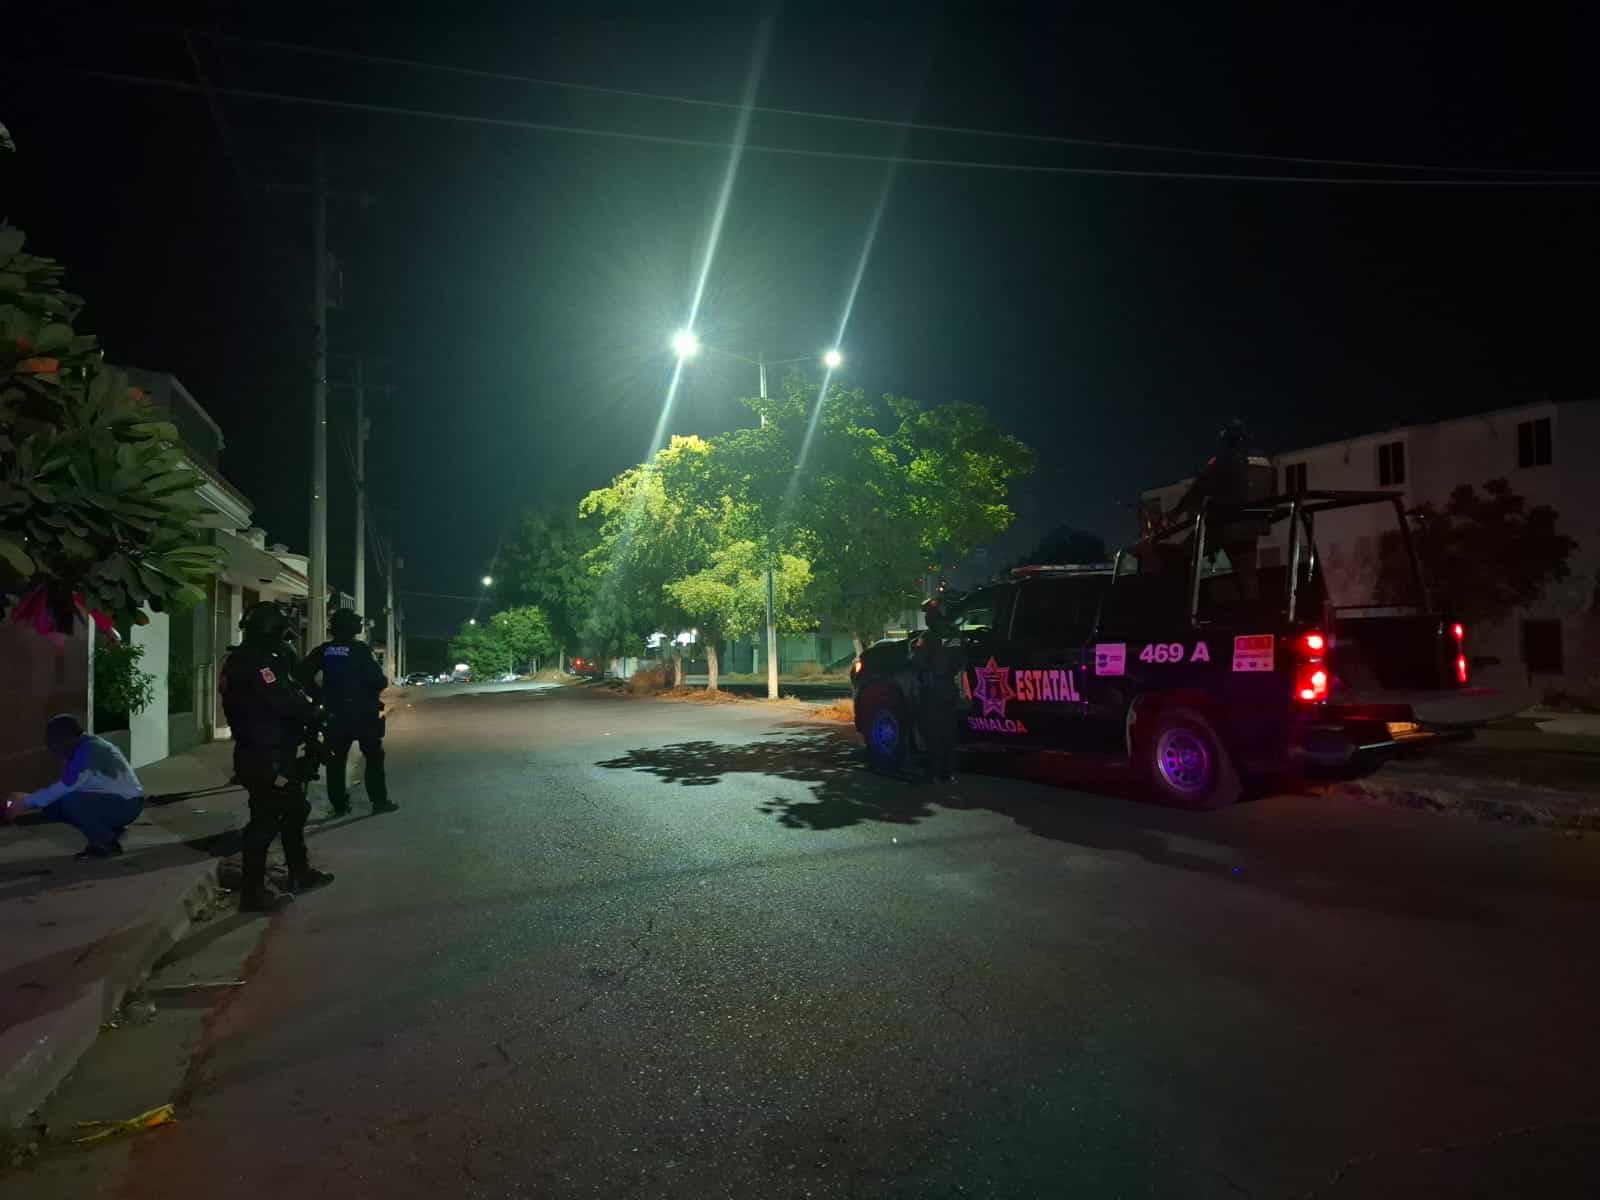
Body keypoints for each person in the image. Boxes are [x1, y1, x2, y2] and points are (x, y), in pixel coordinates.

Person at [221, 602, 334, 911]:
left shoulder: (243, 660)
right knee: (267, 820)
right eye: (282, 635)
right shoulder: (259, 665)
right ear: (271, 632)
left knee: (293, 810)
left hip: (264, 752)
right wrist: (315, 711)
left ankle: (297, 873)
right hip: (266, 756)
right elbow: (286, 700)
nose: (285, 641)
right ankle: (255, 891)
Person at [1, 715, 144, 858]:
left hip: (127, 805)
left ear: (67, 739)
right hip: (116, 801)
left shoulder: (89, 750)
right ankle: (108, 830)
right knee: (56, 806)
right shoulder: (81, 748)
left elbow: (67, 786)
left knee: (72, 802)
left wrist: (25, 802)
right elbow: (65, 786)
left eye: (53, 743)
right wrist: (27, 800)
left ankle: (106, 843)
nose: (52, 749)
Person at [299, 608, 393, 816]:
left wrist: (319, 694)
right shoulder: (359, 650)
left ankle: (340, 805)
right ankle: (379, 801)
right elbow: (378, 680)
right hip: (363, 715)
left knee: (335, 762)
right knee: (374, 758)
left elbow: (301, 675)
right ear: (352, 628)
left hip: (334, 716)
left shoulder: (324, 650)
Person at [913, 598, 962, 785]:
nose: (926, 618)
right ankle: (948, 773)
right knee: (949, 731)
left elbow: (916, 662)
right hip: (949, 688)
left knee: (932, 731)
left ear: (932, 617)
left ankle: (933, 774)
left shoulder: (928, 637)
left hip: (932, 690)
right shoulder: (954, 635)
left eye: (927, 614)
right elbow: (960, 661)